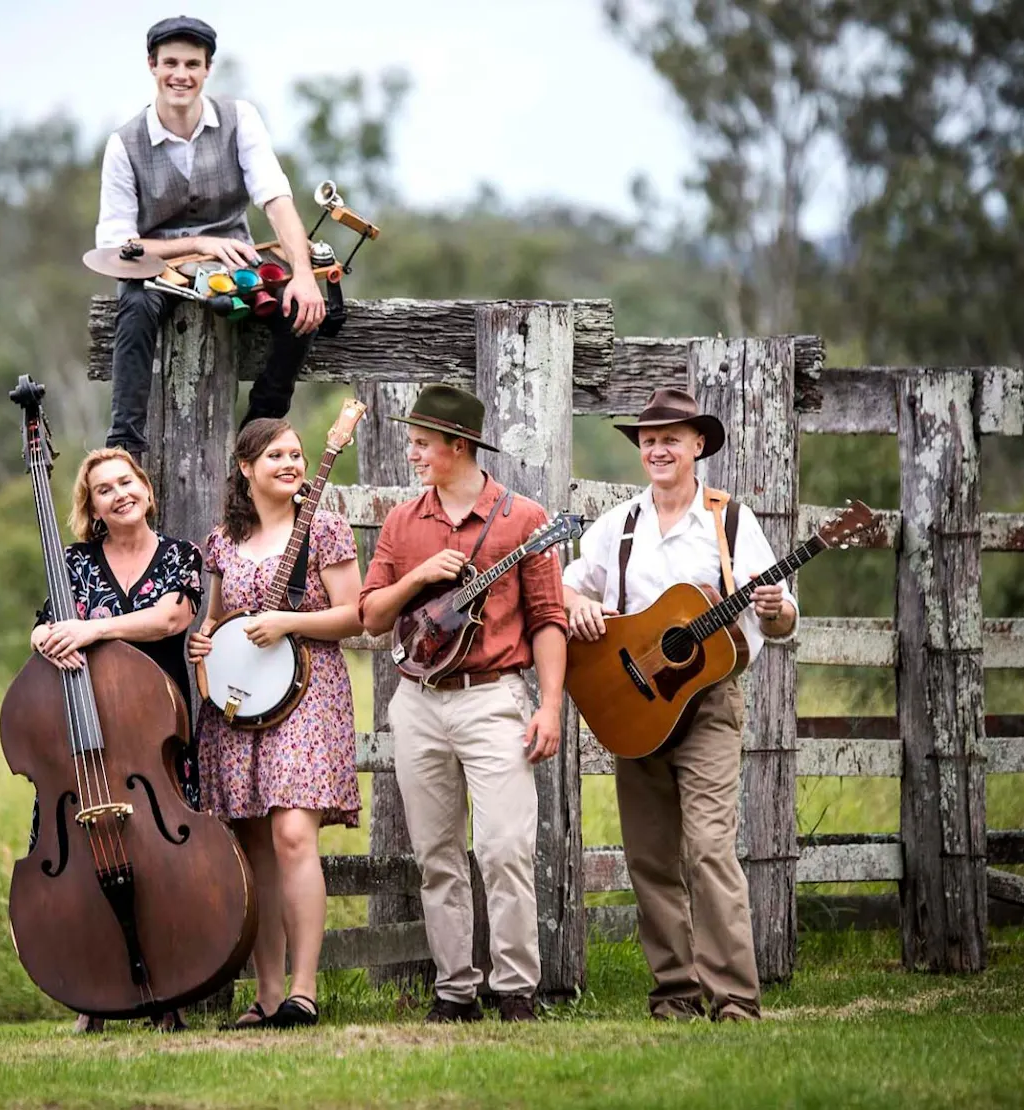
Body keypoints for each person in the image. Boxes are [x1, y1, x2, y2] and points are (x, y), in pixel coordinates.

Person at [560, 387, 798, 1023]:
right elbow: (563, 588)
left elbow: (782, 616)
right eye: (649, 439)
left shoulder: (732, 522)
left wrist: (776, 610)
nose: (659, 448)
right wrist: (577, 602)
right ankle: (674, 992)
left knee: (710, 849)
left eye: (672, 438)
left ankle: (736, 999)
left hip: (709, 707)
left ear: (698, 446)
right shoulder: (618, 527)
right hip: (636, 707)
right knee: (649, 855)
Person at [357, 385, 568, 1024]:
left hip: (493, 698)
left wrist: (551, 706)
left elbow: (549, 619)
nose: (413, 453)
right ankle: (454, 991)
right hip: (418, 701)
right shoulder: (401, 522)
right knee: (436, 855)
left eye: (424, 443)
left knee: (504, 846)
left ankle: (516, 990)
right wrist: (418, 578)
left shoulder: (523, 519)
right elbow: (370, 616)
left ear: (459, 444)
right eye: (412, 442)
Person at [187, 418, 363, 1029]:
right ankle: (265, 995)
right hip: (240, 703)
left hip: (309, 696)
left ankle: (305, 990)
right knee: (253, 844)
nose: (291, 463)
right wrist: (202, 645)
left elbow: (354, 616)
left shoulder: (326, 528)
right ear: (245, 467)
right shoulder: (222, 541)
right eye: (277, 455)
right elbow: (218, 624)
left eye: (297, 453)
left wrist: (289, 623)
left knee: (293, 835)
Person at [96, 15, 327, 461]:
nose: (180, 75)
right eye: (170, 64)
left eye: (192, 64)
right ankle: (124, 449)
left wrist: (302, 273)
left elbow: (276, 199)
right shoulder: (123, 144)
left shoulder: (240, 119)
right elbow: (115, 244)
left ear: (207, 69)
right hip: (158, 272)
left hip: (235, 261)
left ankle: (257, 437)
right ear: (152, 65)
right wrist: (197, 245)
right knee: (135, 306)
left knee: (302, 310)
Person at [29, 446, 204, 1033]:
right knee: (86, 868)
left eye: (126, 482)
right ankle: (94, 995)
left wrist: (91, 627)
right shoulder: (74, 564)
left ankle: (170, 992)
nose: (119, 493)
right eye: (104, 489)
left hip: (157, 745)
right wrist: (44, 638)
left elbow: (170, 619)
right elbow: (47, 623)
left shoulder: (181, 554)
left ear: (147, 491)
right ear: (93, 507)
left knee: (167, 866)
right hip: (89, 742)